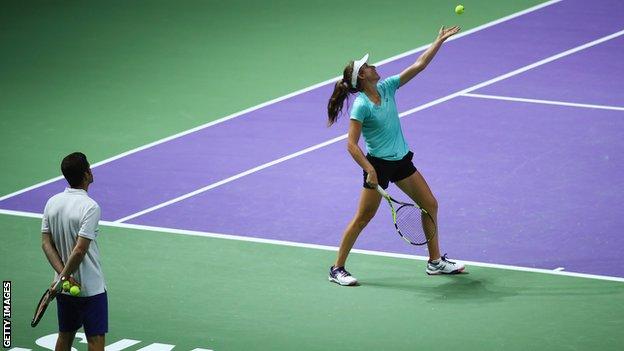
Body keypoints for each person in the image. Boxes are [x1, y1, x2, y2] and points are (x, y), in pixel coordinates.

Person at [326, 26, 465, 286]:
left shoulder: (388, 87)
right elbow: (351, 145)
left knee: (430, 203)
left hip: (401, 161)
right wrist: (369, 169)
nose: (373, 65)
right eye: (367, 66)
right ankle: (337, 268)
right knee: (363, 218)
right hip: (378, 166)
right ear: (362, 77)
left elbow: (419, 65)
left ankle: (435, 262)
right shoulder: (362, 105)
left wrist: (438, 41)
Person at [41, 152, 107, 350]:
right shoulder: (90, 207)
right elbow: (79, 250)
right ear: (86, 174)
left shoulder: (52, 202)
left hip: (65, 289)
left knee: (65, 336)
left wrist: (62, 278)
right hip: (90, 288)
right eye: (89, 167)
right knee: (95, 340)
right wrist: (64, 277)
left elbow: (46, 243)